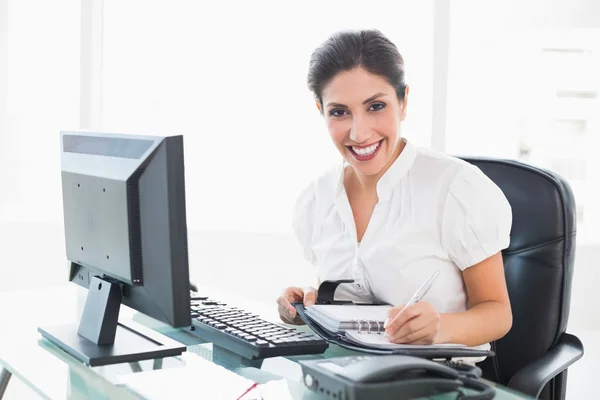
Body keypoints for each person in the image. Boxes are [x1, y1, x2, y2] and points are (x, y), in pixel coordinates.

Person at [276, 29, 513, 350]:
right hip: (345, 371)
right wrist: (308, 305)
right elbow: (354, 296)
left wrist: (440, 326)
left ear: (403, 103)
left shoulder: (456, 189)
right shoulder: (315, 200)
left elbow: (498, 315)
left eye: (375, 106)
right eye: (339, 112)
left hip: (435, 377)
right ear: (321, 111)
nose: (359, 133)